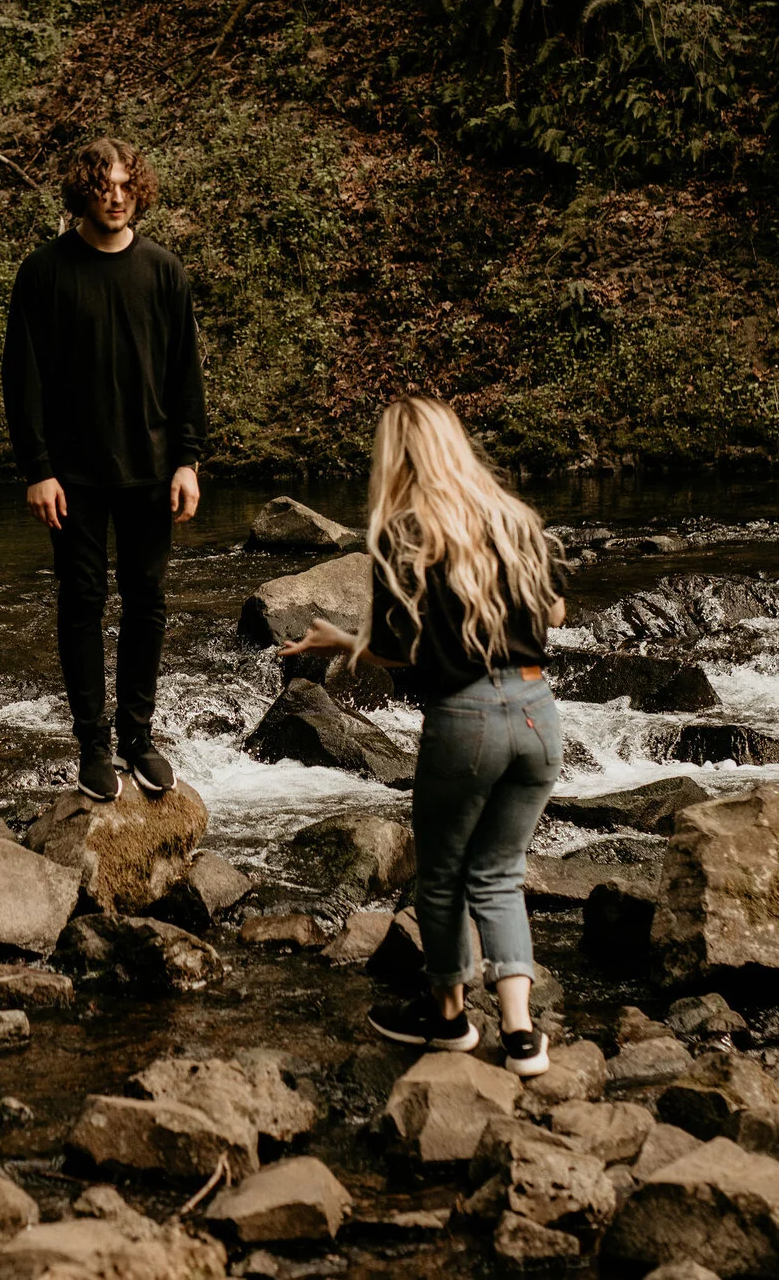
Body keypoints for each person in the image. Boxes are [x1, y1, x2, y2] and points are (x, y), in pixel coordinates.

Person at [278, 395, 567, 1075]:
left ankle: (448, 1017)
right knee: (500, 872)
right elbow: (554, 608)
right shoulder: (515, 521)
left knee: (439, 876)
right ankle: (523, 1036)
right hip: (538, 711)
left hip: (467, 720)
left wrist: (344, 640)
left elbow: (405, 651)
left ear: (396, 457)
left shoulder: (404, 535)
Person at [2, 138, 206, 804]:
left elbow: (185, 377)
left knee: (147, 602)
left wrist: (188, 460)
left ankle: (138, 738)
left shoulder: (164, 271)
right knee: (82, 601)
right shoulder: (44, 273)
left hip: (151, 471)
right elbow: (22, 377)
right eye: (102, 186)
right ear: (83, 193)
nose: (114, 196)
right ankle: (94, 746)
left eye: (124, 185)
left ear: (137, 190)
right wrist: (38, 468)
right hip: (74, 477)